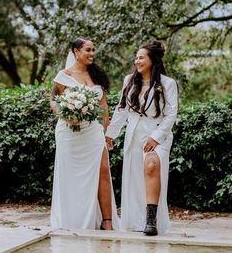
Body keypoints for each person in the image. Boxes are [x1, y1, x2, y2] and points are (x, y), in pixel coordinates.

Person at [105, 41, 178, 235]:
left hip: (157, 135)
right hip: (134, 134)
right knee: (136, 177)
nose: (137, 61)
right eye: (136, 57)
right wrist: (110, 134)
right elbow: (121, 110)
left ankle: (151, 221)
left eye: (141, 57)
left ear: (152, 60)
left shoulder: (167, 83)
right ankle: (136, 221)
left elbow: (171, 114)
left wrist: (156, 137)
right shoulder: (129, 80)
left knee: (152, 166)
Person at [50, 37, 119, 230]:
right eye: (88, 50)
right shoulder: (63, 76)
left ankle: (107, 222)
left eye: (93, 50)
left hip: (94, 132)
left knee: (103, 172)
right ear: (76, 52)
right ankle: (73, 219)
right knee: (71, 177)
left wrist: (107, 133)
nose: (91, 54)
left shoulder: (97, 76)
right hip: (70, 132)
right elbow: (54, 102)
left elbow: (104, 106)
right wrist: (67, 116)